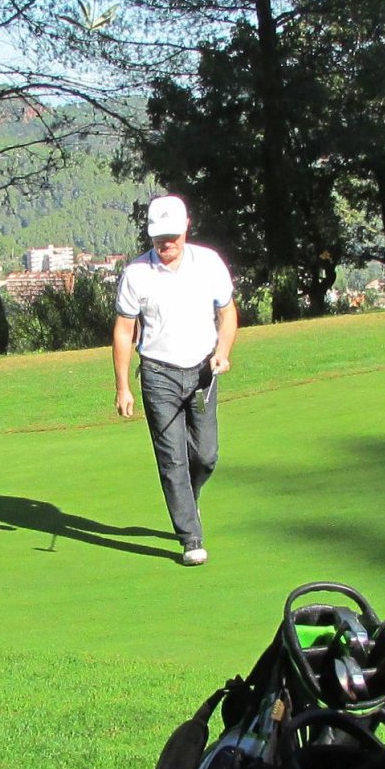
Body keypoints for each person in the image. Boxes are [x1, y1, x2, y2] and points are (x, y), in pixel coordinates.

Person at [112, 194, 237, 566]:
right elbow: (123, 331)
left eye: (172, 235)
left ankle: (188, 499)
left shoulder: (209, 263)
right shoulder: (136, 274)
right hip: (158, 374)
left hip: (203, 372)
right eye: (158, 237)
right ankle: (190, 537)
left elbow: (227, 314)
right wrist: (123, 387)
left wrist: (223, 351)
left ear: (186, 228)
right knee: (172, 459)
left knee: (206, 456)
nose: (165, 243)